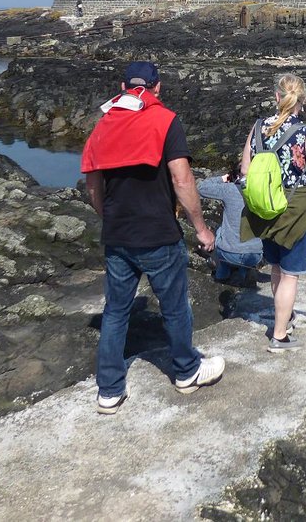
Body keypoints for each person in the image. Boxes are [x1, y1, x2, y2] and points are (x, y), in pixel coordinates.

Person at [82, 61, 224, 414]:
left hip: (118, 235)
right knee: (175, 308)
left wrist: (107, 215)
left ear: (122, 86)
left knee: (115, 312)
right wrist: (202, 229)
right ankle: (186, 371)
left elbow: (93, 184)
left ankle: (110, 391)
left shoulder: (104, 124)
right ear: (157, 87)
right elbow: (182, 179)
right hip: (158, 233)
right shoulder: (166, 121)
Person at [240, 73, 306, 351]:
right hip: (295, 208)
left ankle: (284, 316)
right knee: (290, 273)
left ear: (276, 97)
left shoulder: (258, 126)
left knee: (275, 267)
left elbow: (245, 170)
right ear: (302, 101)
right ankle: (280, 334)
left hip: (264, 207)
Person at [198, 158, 262, 286]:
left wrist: (222, 178)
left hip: (229, 253)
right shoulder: (264, 191)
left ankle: (222, 274)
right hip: (255, 254)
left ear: (236, 174)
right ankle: (245, 272)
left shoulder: (229, 189)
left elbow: (201, 188)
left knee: (221, 230)